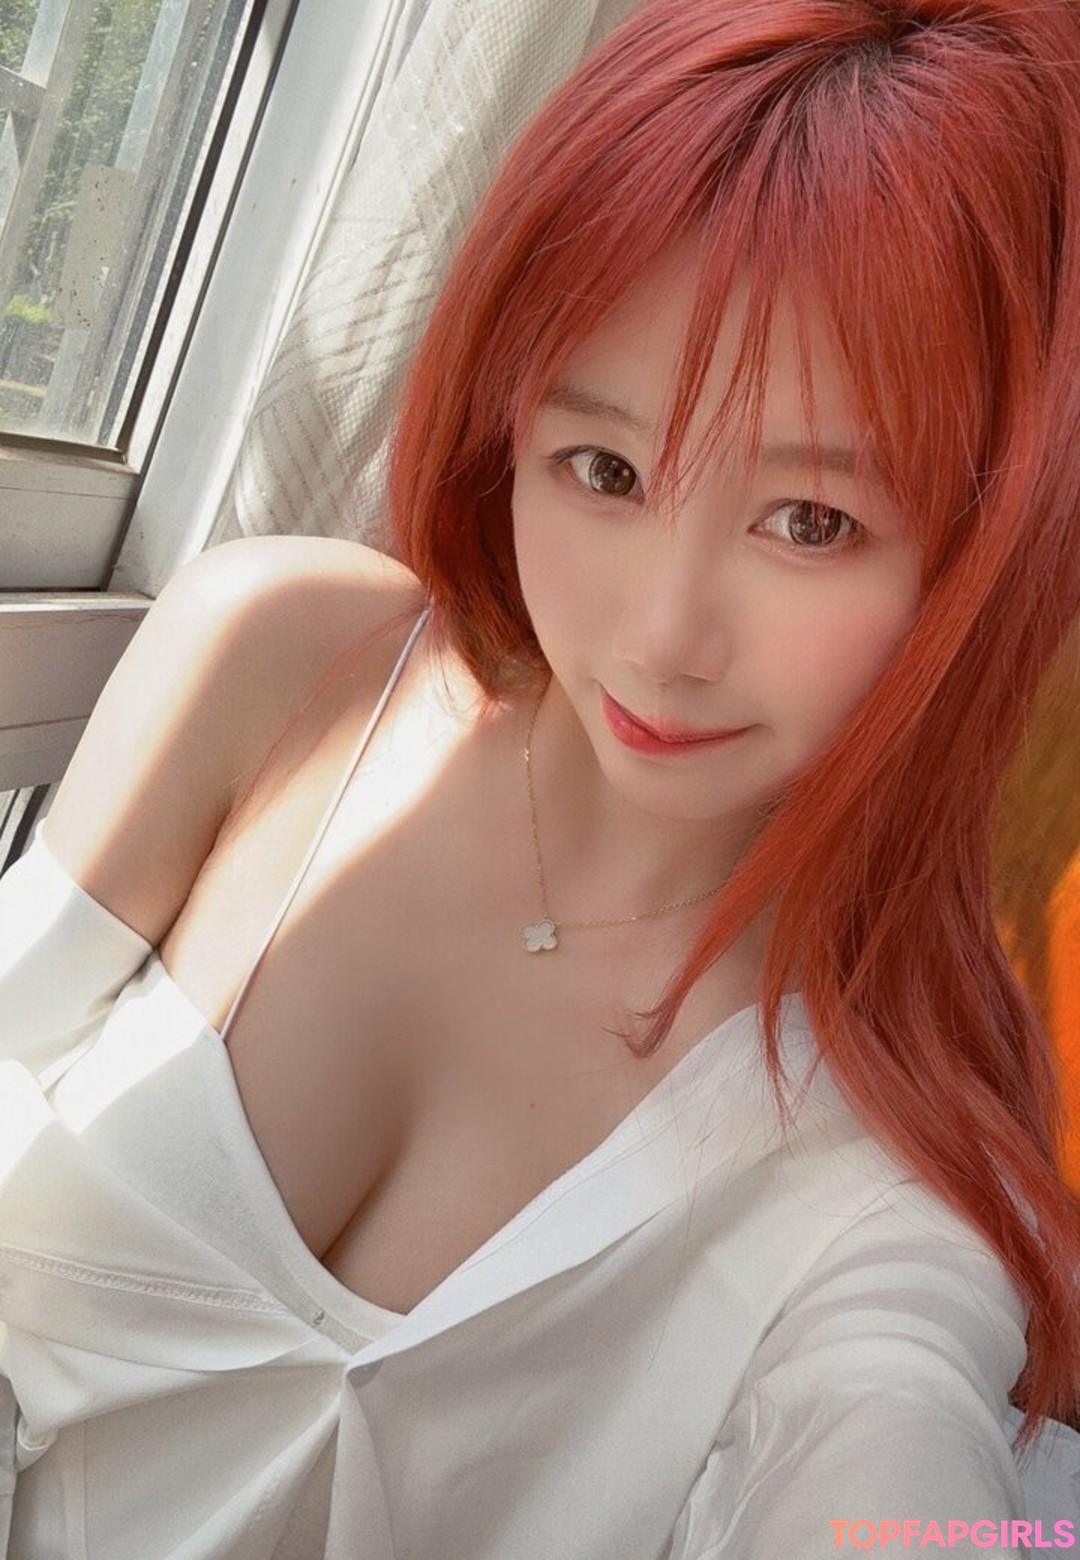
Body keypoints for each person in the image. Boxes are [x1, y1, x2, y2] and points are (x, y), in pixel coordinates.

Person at [3, 0, 1080, 1555]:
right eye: (606, 470)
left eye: (813, 522)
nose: (662, 638)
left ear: (983, 561)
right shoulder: (282, 669)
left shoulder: (891, 1151)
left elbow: (889, 1441)